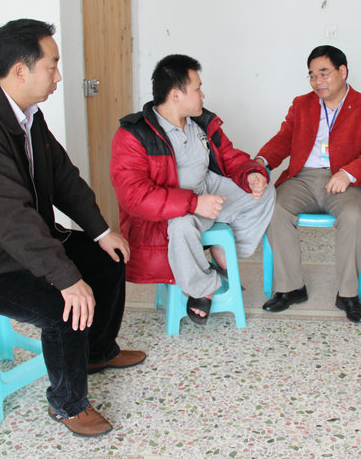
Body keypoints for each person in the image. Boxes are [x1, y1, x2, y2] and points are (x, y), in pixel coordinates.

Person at [0, 19, 145, 437]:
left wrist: (101, 232)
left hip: (17, 244)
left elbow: (62, 176)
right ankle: (68, 404)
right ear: (20, 71)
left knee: (107, 260)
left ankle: (97, 352)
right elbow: (10, 216)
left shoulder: (27, 115)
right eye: (52, 65)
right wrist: (65, 277)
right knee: (63, 305)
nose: (59, 76)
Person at [110, 54, 275, 324]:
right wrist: (194, 203)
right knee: (181, 226)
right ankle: (202, 286)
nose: (203, 95)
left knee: (264, 191)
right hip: (170, 211)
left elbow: (229, 156)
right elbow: (134, 196)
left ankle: (223, 254)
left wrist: (251, 174)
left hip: (207, 189)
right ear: (176, 95)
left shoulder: (200, 122)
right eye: (197, 89)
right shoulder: (134, 134)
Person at [255, 45, 361, 323]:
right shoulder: (302, 104)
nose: (317, 81)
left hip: (343, 182)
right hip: (302, 178)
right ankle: (291, 288)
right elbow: (283, 139)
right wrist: (260, 162)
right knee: (273, 208)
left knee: (353, 217)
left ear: (343, 72)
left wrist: (348, 173)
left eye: (324, 73)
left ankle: (348, 295)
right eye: (312, 75)